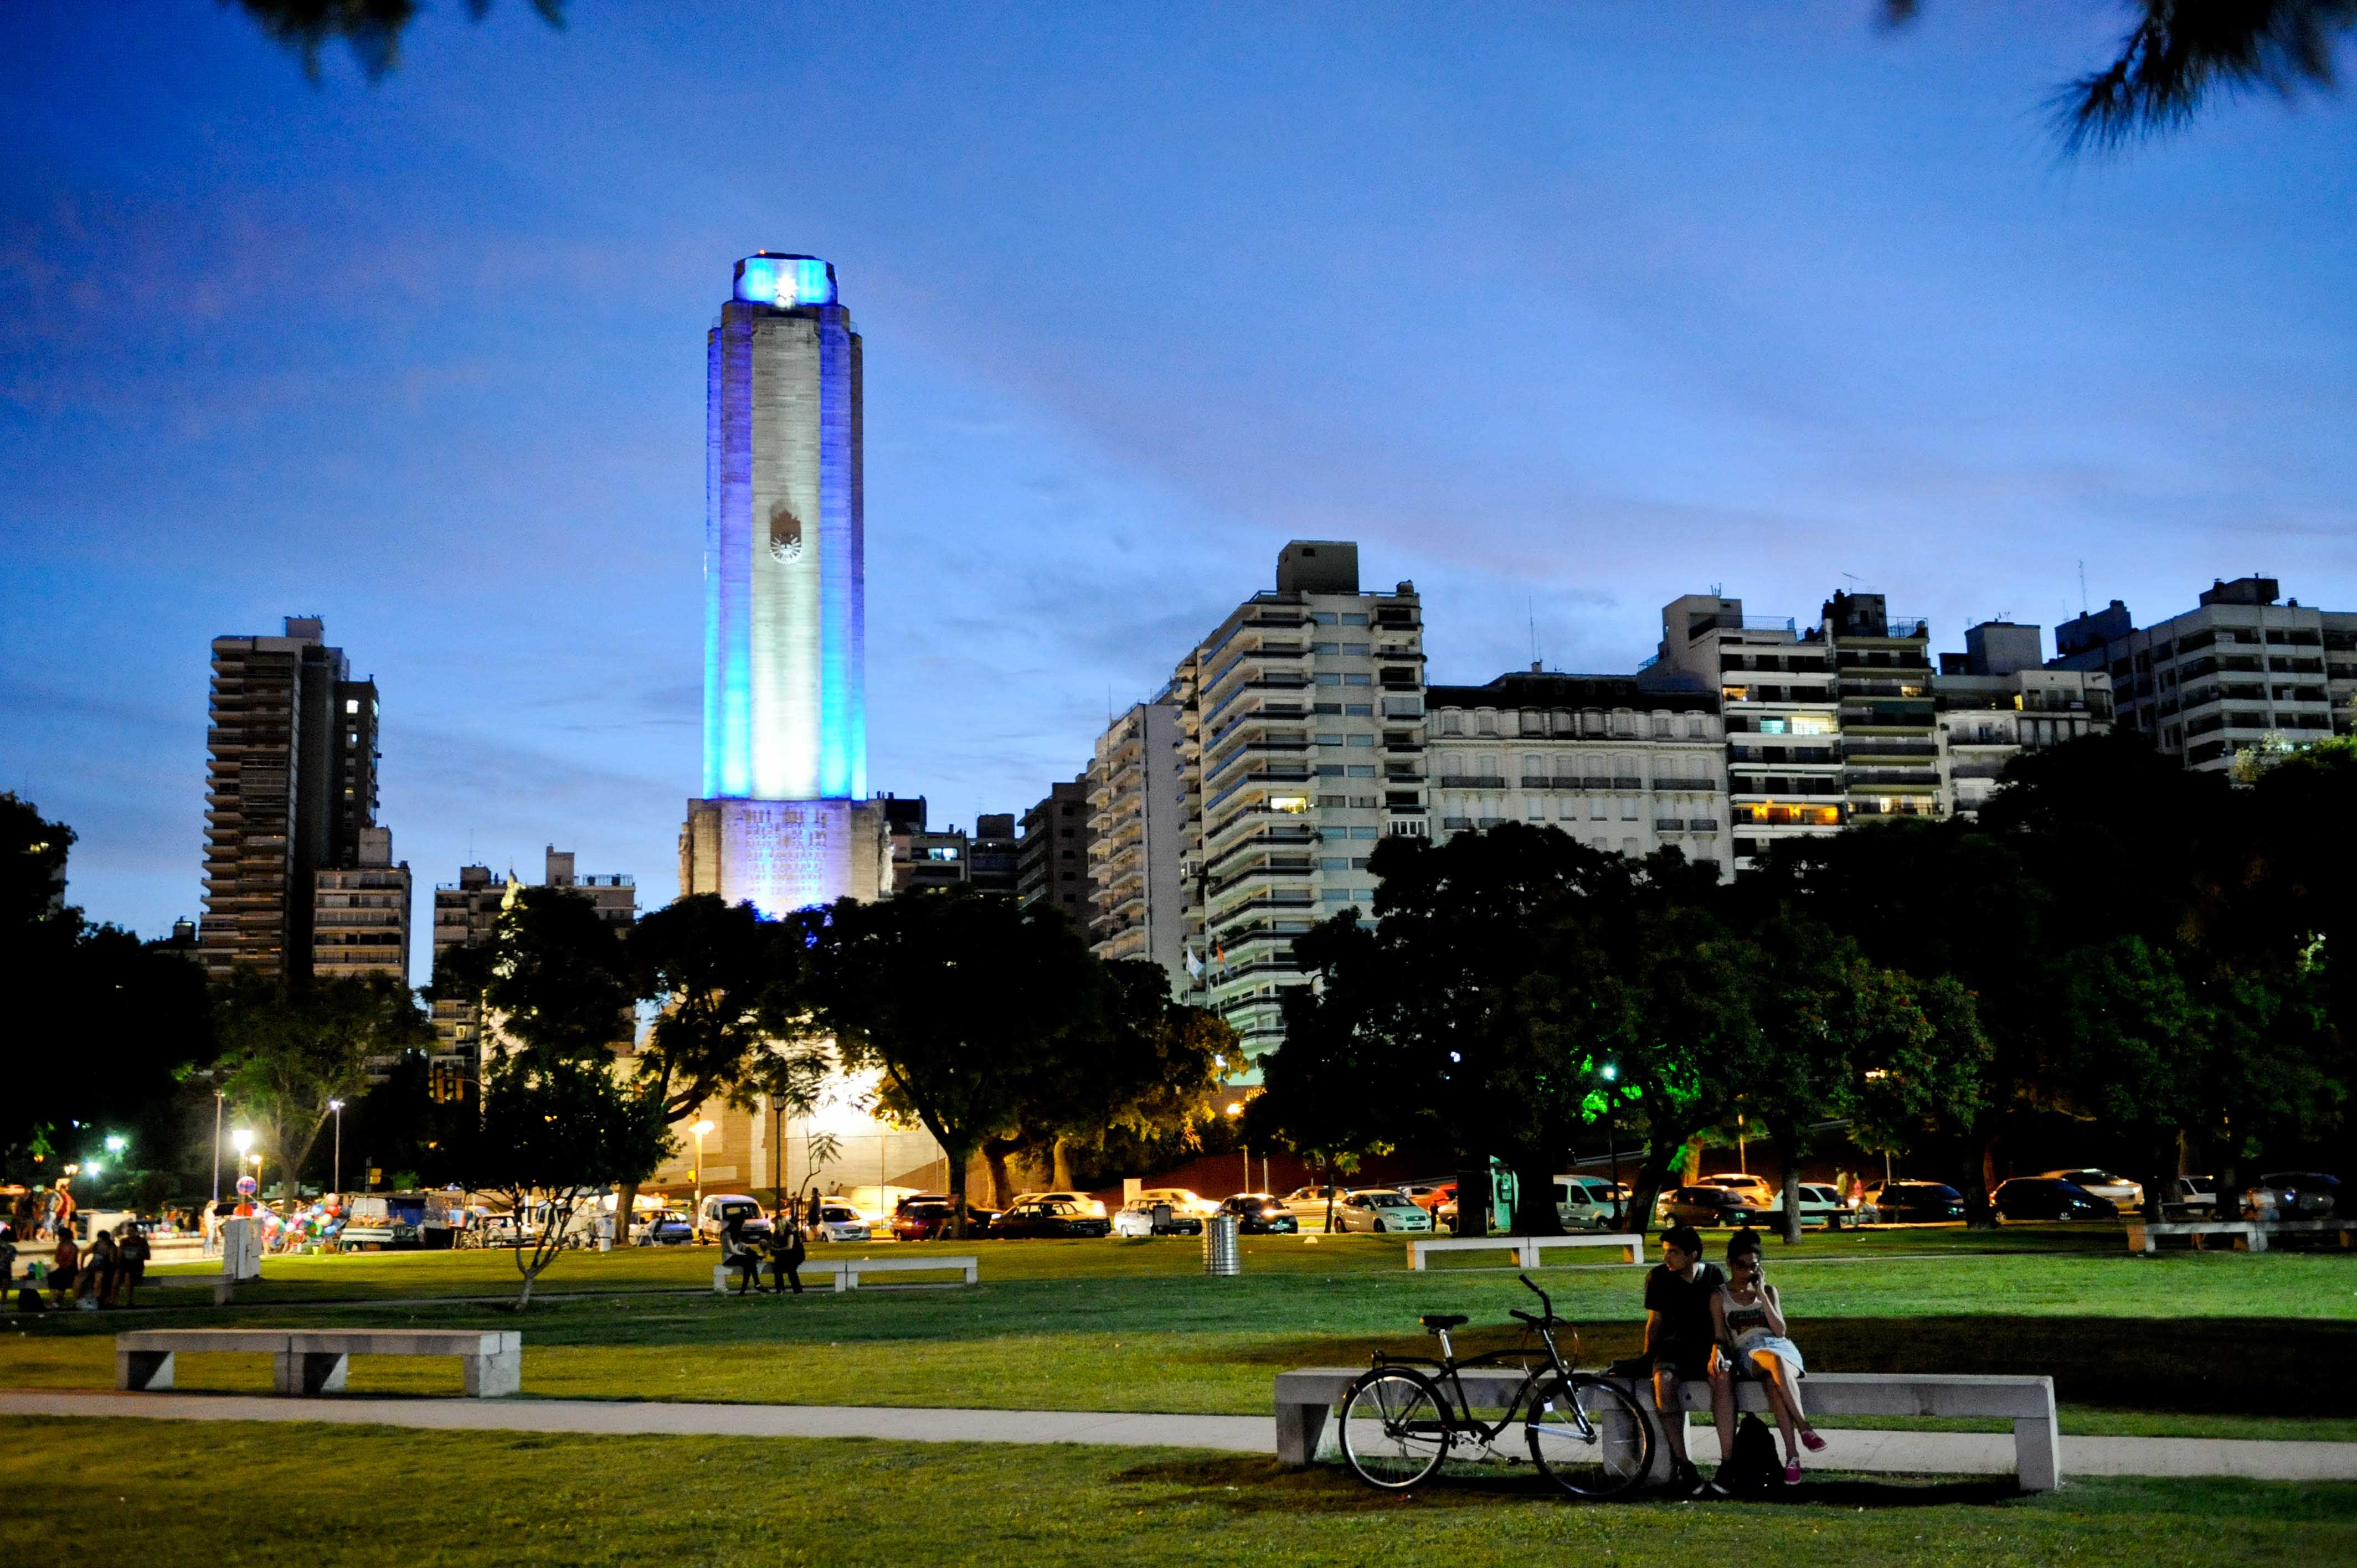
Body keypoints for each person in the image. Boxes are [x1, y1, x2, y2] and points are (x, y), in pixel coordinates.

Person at [1715, 1230, 1826, 1484]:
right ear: (1730, 1264)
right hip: (1749, 1353)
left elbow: (1780, 1331)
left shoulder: (1768, 1291)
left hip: (1780, 1347)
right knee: (1773, 1363)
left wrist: (1762, 1295)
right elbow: (1720, 1335)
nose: (1746, 1271)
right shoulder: (1720, 1295)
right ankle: (1805, 1428)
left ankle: (1792, 1456)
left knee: (1773, 1384)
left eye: (1753, 1266)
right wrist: (1717, 1350)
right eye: (1741, 1265)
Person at [1644, 1224, 1735, 1495]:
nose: (1666, 1258)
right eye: (1665, 1252)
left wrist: (1719, 1349)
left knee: (1723, 1378)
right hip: (1673, 1349)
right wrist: (1648, 1358)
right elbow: (1655, 1323)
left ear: (1692, 1255)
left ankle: (1728, 1464)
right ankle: (1683, 1462)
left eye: (1673, 1252)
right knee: (1664, 1382)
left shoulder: (1712, 1276)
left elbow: (1722, 1320)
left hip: (1708, 1347)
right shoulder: (1658, 1278)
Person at [722, 1211, 761, 1296]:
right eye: (743, 1223)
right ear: (738, 1224)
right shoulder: (726, 1234)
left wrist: (749, 1251)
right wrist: (745, 1255)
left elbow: (740, 1246)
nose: (743, 1225)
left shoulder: (737, 1233)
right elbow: (732, 1250)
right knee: (749, 1260)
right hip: (729, 1258)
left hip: (737, 1256)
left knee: (749, 1263)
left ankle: (744, 1290)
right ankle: (756, 1284)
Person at [767, 1218, 807, 1296]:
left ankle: (794, 1289)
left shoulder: (789, 1232)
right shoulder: (780, 1232)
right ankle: (782, 1288)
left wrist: (778, 1249)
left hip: (795, 1254)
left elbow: (790, 1246)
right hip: (787, 1254)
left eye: (775, 1225)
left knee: (790, 1269)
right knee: (778, 1267)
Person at [115, 1223, 151, 1308]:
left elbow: (148, 1256)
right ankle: (113, 1300)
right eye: (128, 1231)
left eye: (132, 1231)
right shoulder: (124, 1242)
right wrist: (120, 1248)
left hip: (136, 1267)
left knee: (128, 1275)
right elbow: (119, 1257)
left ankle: (129, 1300)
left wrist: (139, 1255)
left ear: (136, 1231)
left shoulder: (142, 1242)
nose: (130, 1233)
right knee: (115, 1276)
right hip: (125, 1266)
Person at [83, 1229, 118, 1309]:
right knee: (80, 1279)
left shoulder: (111, 1247)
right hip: (93, 1268)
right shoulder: (95, 1245)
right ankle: (80, 1301)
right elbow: (84, 1254)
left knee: (98, 1279)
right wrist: (82, 1268)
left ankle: (98, 1300)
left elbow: (112, 1261)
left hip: (104, 1269)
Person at [48, 1227, 80, 1310]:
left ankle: (57, 1301)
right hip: (62, 1268)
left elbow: (71, 1261)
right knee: (51, 1276)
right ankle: (53, 1301)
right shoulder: (61, 1245)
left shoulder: (73, 1247)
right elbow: (56, 1258)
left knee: (63, 1278)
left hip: (71, 1269)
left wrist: (62, 1262)